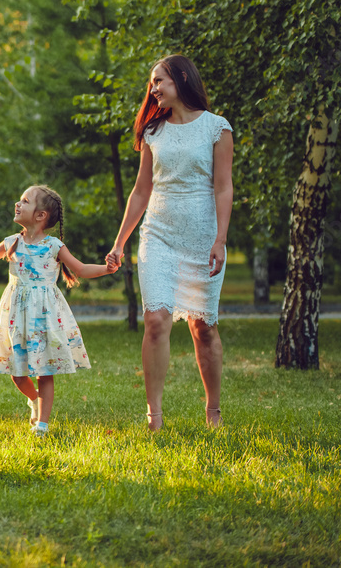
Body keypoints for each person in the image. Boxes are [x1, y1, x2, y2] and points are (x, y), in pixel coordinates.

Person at [105, 54, 234, 431]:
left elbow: (223, 188)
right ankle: (155, 417)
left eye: (159, 81)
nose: (154, 89)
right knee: (156, 320)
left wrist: (220, 240)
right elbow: (141, 191)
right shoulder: (152, 132)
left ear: (181, 79)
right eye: (151, 83)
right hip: (158, 234)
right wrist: (119, 243)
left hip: (202, 236)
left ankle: (213, 410)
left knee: (203, 327)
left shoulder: (216, 128)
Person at [0, 185, 115, 436]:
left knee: (45, 370)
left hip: (46, 316)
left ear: (40, 215)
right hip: (17, 314)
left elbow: (80, 270)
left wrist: (106, 269)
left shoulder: (54, 246)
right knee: (17, 373)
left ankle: (43, 425)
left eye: (25, 201)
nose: (17, 203)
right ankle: (35, 399)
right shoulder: (12, 242)